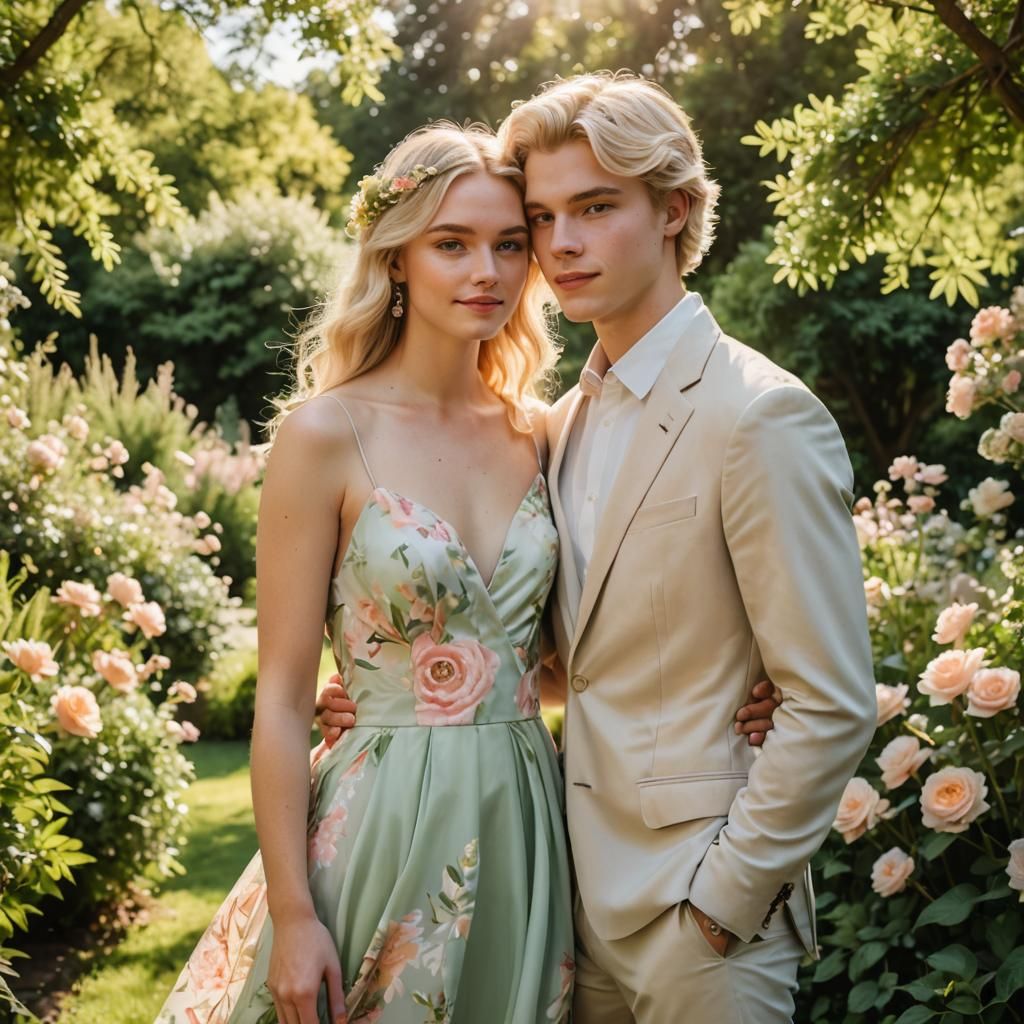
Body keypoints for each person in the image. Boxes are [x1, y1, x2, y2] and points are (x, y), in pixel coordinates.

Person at [156, 119, 779, 1024]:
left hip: (529, 830)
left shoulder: (546, 433)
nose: (485, 270)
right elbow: (285, 702)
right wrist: (294, 915)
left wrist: (737, 685)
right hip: (379, 826)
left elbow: (578, 646)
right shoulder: (325, 436)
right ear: (397, 256)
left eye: (508, 244)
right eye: (451, 244)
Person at [323, 72, 876, 1024]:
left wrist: (722, 905)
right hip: (561, 903)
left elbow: (830, 702)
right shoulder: (554, 425)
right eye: (541, 217)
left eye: (595, 207)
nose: (561, 244)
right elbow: (585, 660)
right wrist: (414, 685)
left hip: (700, 923)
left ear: (676, 211)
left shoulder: (760, 415)